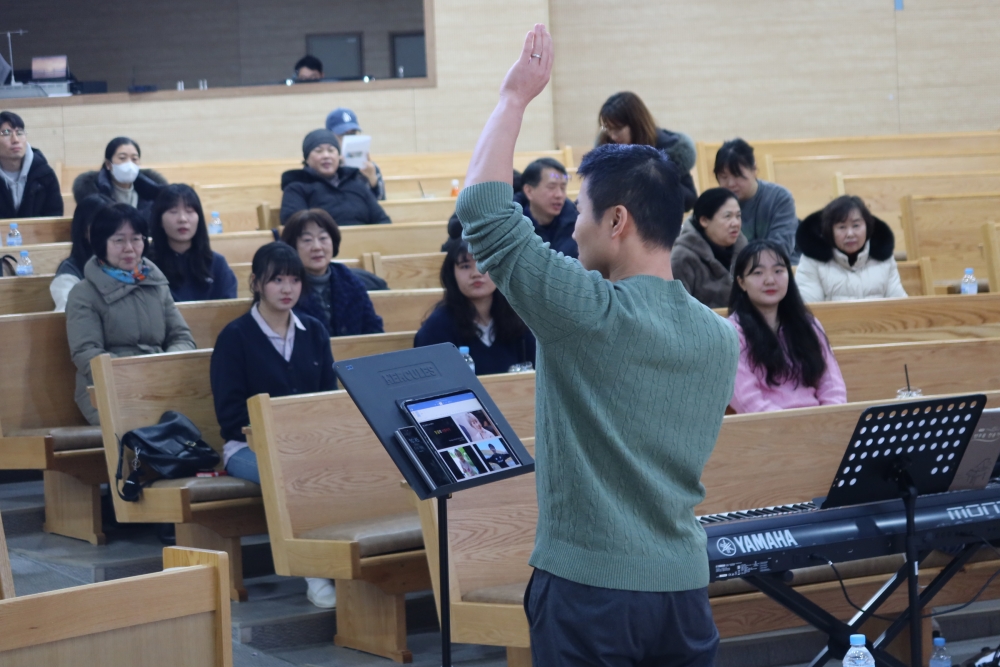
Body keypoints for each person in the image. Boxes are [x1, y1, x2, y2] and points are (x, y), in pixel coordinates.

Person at [458, 25, 737, 666]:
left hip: (591, 589)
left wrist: (513, 99)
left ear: (618, 221)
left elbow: (484, 212)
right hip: (684, 588)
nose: (573, 225)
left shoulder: (586, 311)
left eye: (581, 209)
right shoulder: (720, 337)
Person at [209, 242, 337, 608]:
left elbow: (325, 401)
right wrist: (277, 439)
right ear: (256, 283)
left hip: (305, 445)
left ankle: (346, 564)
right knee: (288, 474)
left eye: (294, 280)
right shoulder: (235, 337)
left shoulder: (313, 331)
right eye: (276, 279)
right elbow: (230, 416)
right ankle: (314, 573)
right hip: (247, 449)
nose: (287, 289)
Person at [66, 203, 196, 424]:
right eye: (119, 240)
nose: (129, 248)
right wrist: (136, 375)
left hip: (161, 382)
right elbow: (86, 353)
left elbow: (182, 338)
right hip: (107, 390)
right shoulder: (84, 293)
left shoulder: (155, 282)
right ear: (101, 244)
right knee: (148, 430)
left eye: (136, 239)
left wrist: (164, 366)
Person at [727, 239, 847, 414]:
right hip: (768, 430)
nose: (770, 280)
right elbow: (748, 401)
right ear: (741, 282)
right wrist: (791, 428)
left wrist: (828, 421)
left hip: (820, 425)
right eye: (758, 273)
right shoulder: (731, 334)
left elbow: (832, 385)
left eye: (778, 271)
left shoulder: (808, 324)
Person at [414, 239, 535, 375]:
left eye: (484, 264)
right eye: (465, 266)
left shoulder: (520, 319)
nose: (476, 273)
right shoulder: (437, 327)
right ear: (452, 275)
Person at [281, 208, 383, 336]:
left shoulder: (350, 282)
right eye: (307, 240)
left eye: (323, 238)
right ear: (293, 247)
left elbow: (373, 330)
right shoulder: (283, 286)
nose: (317, 247)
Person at [596, 92, 698, 210]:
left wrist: (655, 178)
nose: (612, 136)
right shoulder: (606, 148)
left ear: (635, 125)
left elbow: (689, 199)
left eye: (618, 129)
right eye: (608, 129)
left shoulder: (667, 149)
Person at [795, 195, 907, 303]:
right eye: (842, 227)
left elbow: (901, 305)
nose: (850, 234)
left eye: (856, 225)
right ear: (830, 231)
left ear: (867, 227)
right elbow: (808, 311)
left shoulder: (884, 259)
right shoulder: (812, 261)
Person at [280, 129, 391, 226]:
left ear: (339, 156)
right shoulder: (296, 187)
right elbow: (293, 225)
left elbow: (383, 221)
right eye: (319, 151)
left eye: (331, 150)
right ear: (307, 159)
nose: (326, 155)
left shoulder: (356, 184)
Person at [148, 184, 238, 302]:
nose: (183, 219)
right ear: (159, 220)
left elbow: (230, 307)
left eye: (189, 211)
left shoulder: (216, 263)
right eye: (173, 211)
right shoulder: (148, 265)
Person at [714, 138, 798, 260]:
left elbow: (782, 246)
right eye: (724, 177)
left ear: (754, 170)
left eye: (737, 175)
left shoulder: (779, 197)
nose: (730, 183)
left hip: (776, 268)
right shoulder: (715, 203)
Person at [670, 187, 747, 308]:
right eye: (728, 216)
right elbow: (678, 309)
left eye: (738, 216)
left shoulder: (745, 253)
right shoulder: (682, 258)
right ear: (704, 221)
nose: (736, 223)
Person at [73, 137, 167, 221]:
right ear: (108, 164)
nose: (129, 164)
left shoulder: (152, 193)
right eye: (122, 158)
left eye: (134, 159)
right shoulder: (94, 194)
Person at [50, 193, 113, 311]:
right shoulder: (70, 271)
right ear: (84, 231)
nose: (109, 233)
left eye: (113, 226)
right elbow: (69, 312)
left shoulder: (125, 263)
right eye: (100, 227)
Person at [0, 111, 63, 219]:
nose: (15, 140)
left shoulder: (44, 174)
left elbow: (54, 217)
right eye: (6, 133)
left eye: (19, 133)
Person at [515, 157, 578, 257]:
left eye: (563, 188)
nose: (559, 195)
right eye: (551, 187)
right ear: (529, 191)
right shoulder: (512, 226)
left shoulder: (576, 224)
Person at [326, 107, 385, 200]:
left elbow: (381, 204)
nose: (349, 139)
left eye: (352, 134)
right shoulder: (326, 167)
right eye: (343, 135)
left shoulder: (369, 167)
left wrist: (372, 179)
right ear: (329, 136)